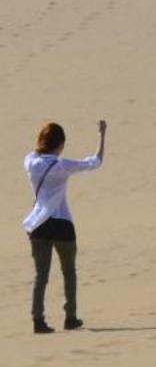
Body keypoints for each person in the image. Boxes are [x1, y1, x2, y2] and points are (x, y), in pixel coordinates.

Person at [22, 118, 105, 333]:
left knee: (41, 276)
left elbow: (34, 153)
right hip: (61, 224)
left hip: (38, 225)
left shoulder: (30, 162)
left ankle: (37, 320)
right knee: (69, 271)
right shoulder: (61, 165)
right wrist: (102, 135)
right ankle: (71, 317)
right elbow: (95, 162)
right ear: (59, 144)